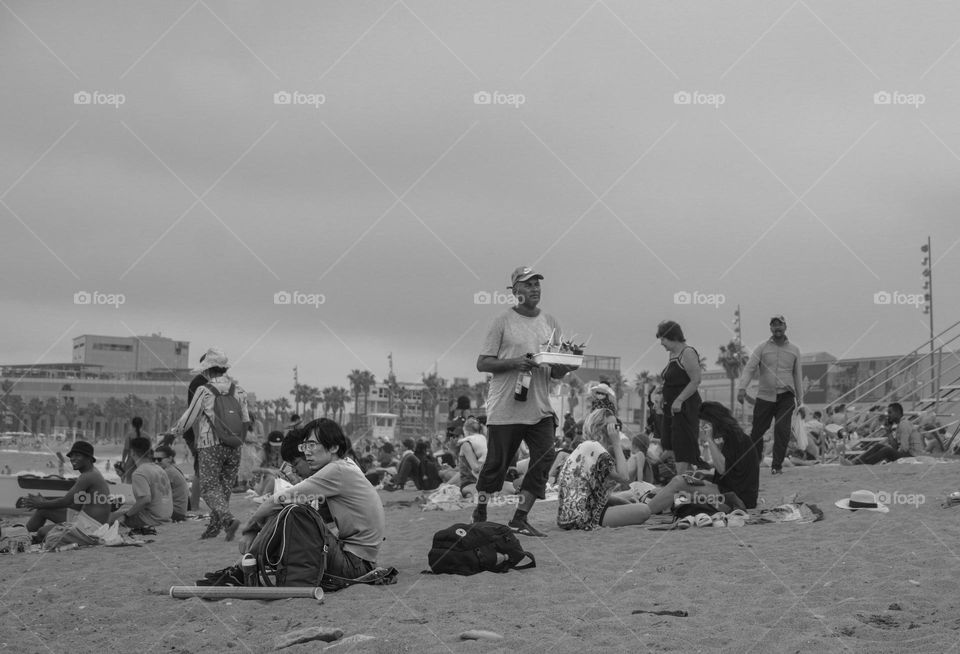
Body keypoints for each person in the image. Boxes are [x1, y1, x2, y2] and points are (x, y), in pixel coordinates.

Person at [474, 266, 577, 537]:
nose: (534, 288)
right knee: (496, 465)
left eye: (537, 284)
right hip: (506, 406)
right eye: (528, 284)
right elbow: (482, 362)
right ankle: (480, 512)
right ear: (515, 290)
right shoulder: (502, 321)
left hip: (540, 407)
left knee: (545, 457)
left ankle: (520, 517)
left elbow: (554, 370)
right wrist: (515, 362)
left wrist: (567, 366)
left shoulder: (551, 323)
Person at [237, 419, 386, 583]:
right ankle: (249, 565)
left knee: (293, 511)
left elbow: (278, 500)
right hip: (363, 561)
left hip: (355, 564)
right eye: (305, 446)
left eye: (312, 445)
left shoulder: (336, 470)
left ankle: (244, 566)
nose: (307, 452)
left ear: (334, 447)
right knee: (293, 512)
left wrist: (248, 530)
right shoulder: (347, 465)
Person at [166, 348, 250, 540]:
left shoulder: (204, 390)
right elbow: (245, 420)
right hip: (234, 446)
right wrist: (238, 441)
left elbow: (189, 418)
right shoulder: (239, 390)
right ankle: (214, 527)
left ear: (208, 370)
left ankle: (227, 520)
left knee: (210, 487)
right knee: (225, 487)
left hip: (211, 446)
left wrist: (173, 433)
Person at [556, 409, 650, 529]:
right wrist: (617, 443)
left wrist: (619, 502)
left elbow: (591, 491)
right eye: (613, 427)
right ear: (600, 428)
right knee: (644, 510)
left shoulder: (589, 446)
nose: (616, 430)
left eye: (617, 426)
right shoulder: (595, 448)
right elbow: (624, 477)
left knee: (628, 498)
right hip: (584, 516)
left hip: (568, 516)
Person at [737, 315, 803, 475]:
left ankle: (777, 466)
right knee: (757, 432)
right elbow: (749, 368)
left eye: (779, 325)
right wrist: (741, 388)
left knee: (782, 429)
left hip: (786, 396)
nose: (777, 328)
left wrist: (800, 400)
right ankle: (754, 462)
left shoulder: (794, 350)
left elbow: (797, 375)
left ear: (785, 327)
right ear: (770, 329)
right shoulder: (762, 348)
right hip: (765, 396)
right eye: (773, 326)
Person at [23, 440, 112, 538]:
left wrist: (40, 503)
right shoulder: (91, 473)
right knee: (43, 510)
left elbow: (66, 501)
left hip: (91, 527)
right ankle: (24, 536)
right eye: (71, 456)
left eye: (77, 455)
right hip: (84, 519)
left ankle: (24, 538)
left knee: (42, 532)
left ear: (89, 459)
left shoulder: (88, 476)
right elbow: (75, 505)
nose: (73, 459)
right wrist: (44, 503)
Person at [656, 320, 703, 476]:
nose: (661, 343)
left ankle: (681, 478)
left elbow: (695, 380)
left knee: (682, 443)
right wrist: (663, 396)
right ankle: (671, 475)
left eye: (663, 339)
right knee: (668, 443)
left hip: (685, 406)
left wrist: (679, 399)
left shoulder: (687, 352)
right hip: (671, 407)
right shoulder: (672, 354)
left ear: (672, 336)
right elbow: (672, 380)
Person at [695, 401, 759, 509]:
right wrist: (707, 476)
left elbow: (722, 469)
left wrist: (709, 440)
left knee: (679, 483)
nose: (702, 429)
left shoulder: (733, 439)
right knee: (690, 481)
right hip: (741, 496)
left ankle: (655, 508)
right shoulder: (736, 436)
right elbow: (732, 473)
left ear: (713, 422)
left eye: (704, 426)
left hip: (738, 499)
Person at [109, 437, 173, 534]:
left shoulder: (139, 473)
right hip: (165, 517)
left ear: (133, 452)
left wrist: (125, 516)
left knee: (110, 517)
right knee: (126, 507)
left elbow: (145, 500)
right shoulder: (159, 469)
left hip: (151, 520)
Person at [154, 444, 189, 522]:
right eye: (154, 459)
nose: (156, 462)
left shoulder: (168, 472)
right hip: (179, 512)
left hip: (175, 513)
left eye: (159, 459)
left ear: (169, 459)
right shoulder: (171, 469)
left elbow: (156, 495)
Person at [458, 417, 487, 498]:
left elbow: (475, 468)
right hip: (471, 483)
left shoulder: (466, 444)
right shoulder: (484, 440)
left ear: (466, 431)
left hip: (472, 481)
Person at [116, 416, 147, 483]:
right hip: (144, 460)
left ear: (132, 425)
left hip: (131, 459)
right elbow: (149, 450)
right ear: (142, 425)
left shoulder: (130, 435)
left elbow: (126, 449)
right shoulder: (146, 436)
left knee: (128, 480)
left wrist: (123, 461)